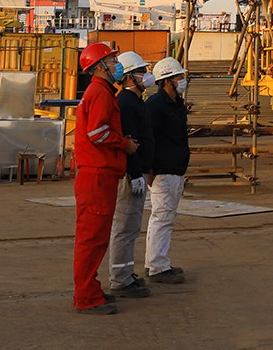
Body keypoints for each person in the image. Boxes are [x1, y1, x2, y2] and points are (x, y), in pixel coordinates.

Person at [73, 42, 138, 315]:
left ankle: (91, 288)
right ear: (99, 67)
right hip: (97, 176)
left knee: (96, 238)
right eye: (112, 62)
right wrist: (125, 144)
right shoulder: (100, 93)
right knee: (92, 239)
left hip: (99, 174)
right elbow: (97, 133)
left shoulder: (100, 92)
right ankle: (86, 297)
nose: (117, 65)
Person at [106, 51, 155, 299]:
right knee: (124, 228)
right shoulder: (125, 103)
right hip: (130, 175)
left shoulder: (136, 101)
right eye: (141, 71)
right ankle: (120, 280)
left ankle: (125, 275)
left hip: (138, 172)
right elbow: (129, 142)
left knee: (131, 228)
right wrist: (135, 173)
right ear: (128, 77)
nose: (146, 75)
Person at [145, 57, 191, 283]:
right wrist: (149, 169)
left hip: (175, 169)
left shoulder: (176, 104)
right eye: (178, 77)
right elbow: (148, 138)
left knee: (165, 218)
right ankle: (157, 267)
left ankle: (156, 261)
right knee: (162, 218)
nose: (182, 80)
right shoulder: (155, 106)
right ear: (167, 81)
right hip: (162, 172)